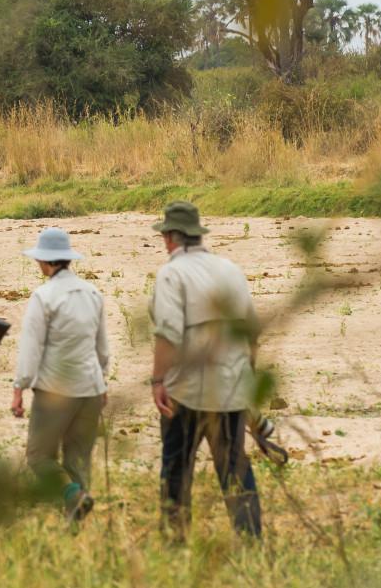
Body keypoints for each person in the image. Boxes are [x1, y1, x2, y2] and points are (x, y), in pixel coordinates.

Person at [148, 201, 263, 538]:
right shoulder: (230, 269)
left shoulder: (172, 273)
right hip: (230, 388)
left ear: (170, 237)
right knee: (235, 469)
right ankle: (251, 540)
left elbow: (167, 333)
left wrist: (157, 380)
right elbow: (252, 333)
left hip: (186, 391)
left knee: (176, 469)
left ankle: (175, 541)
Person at [10, 227, 108, 522]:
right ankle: (77, 522)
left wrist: (19, 388)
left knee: (39, 457)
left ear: (46, 262)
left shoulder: (44, 296)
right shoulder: (93, 293)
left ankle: (72, 497)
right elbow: (102, 349)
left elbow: (31, 348)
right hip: (90, 389)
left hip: (55, 391)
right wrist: (101, 382)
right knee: (79, 461)